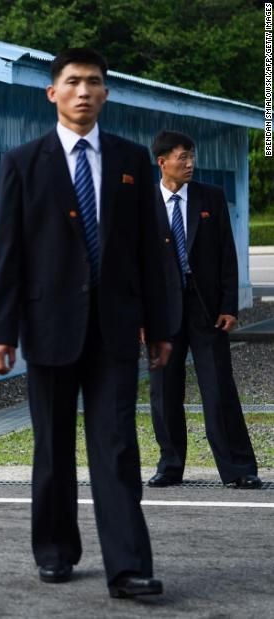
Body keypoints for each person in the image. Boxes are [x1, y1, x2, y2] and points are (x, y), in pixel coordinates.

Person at [0, 48, 172, 599]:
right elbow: (7, 254)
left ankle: (129, 567)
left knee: (116, 447)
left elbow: (149, 253)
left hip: (115, 329)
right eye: (72, 82)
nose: (83, 91)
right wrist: (1, 331)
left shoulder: (133, 161)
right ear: (52, 93)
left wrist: (160, 326)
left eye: (93, 83)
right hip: (48, 327)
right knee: (53, 447)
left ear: (106, 93)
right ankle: (56, 550)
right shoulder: (23, 162)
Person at [146, 130, 262, 490]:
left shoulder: (210, 197)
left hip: (207, 310)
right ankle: (170, 466)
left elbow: (228, 255)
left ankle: (239, 468)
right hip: (162, 314)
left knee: (218, 388)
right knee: (164, 391)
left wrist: (229, 305)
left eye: (192, 156)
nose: (190, 163)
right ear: (162, 161)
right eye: (183, 157)